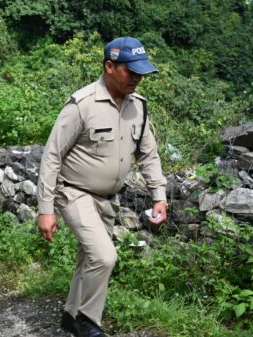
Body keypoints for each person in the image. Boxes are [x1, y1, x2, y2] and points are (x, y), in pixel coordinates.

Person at [37, 36, 168, 337]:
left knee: (88, 258)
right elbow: (52, 156)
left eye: (141, 72)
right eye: (130, 71)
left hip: (109, 199)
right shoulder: (82, 104)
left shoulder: (139, 107)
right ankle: (88, 321)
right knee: (104, 256)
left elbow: (148, 155)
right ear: (109, 66)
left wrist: (159, 196)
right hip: (74, 192)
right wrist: (45, 209)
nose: (137, 78)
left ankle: (71, 315)